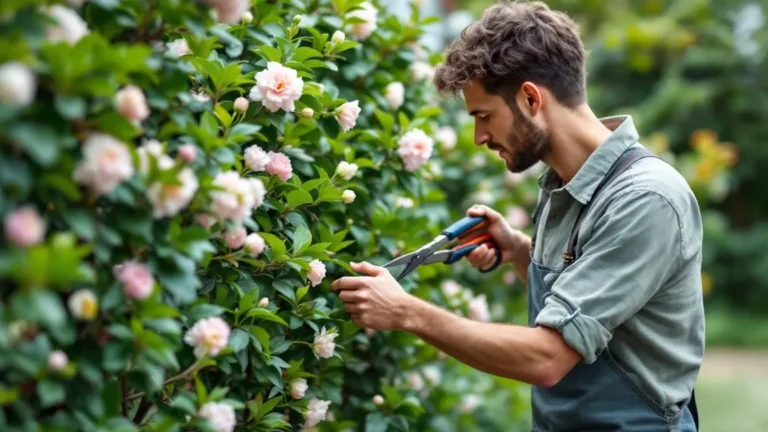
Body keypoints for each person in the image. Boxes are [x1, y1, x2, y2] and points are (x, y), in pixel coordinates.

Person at [330, 1, 705, 431]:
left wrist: (407, 312)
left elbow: (547, 357)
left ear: (530, 98)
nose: (479, 137)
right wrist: (519, 250)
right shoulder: (565, 182)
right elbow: (589, 299)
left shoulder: (646, 198)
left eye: (484, 116)